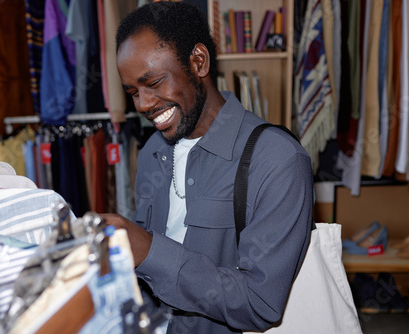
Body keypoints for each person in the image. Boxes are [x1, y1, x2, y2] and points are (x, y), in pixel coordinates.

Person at [100, 2, 314, 333]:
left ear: (198, 62)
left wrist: (149, 250)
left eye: (154, 82)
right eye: (132, 92)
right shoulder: (152, 152)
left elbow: (261, 304)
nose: (142, 104)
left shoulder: (277, 160)